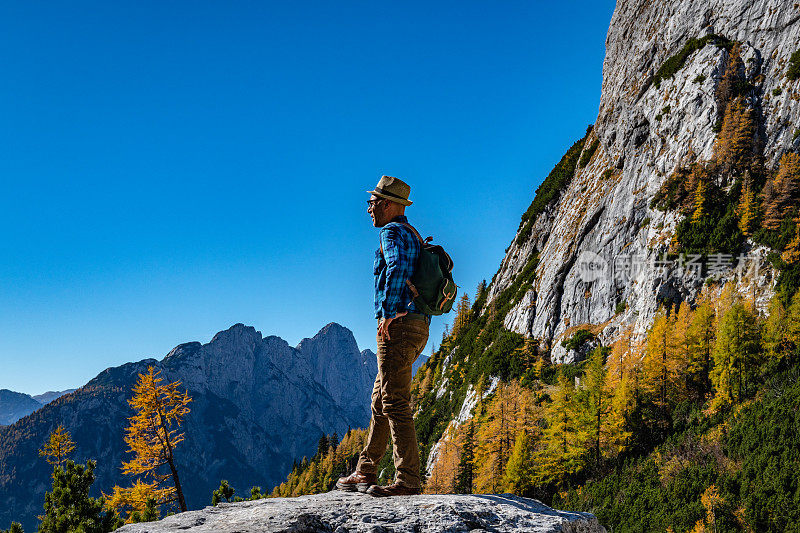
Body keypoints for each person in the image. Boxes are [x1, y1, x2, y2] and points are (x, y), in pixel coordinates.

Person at [336, 175, 430, 497]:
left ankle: (407, 481)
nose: (368, 209)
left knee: (394, 401)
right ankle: (365, 471)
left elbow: (397, 269)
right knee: (380, 398)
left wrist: (389, 313)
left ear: (388, 205)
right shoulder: (412, 233)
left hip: (399, 327)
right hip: (418, 326)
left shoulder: (392, 232)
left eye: (372, 202)